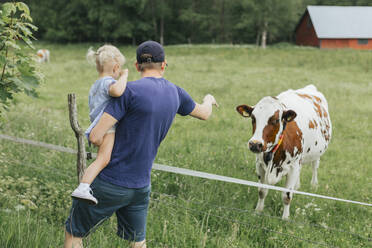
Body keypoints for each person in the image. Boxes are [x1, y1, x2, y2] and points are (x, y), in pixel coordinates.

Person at [64, 40, 218, 248]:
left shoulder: (129, 91)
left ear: (137, 66)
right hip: (140, 187)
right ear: (164, 65)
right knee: (138, 243)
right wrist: (208, 99)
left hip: (111, 181)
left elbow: (95, 136)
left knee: (74, 232)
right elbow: (204, 113)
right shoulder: (176, 93)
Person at [71, 45, 128, 205]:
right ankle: (83, 187)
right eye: (120, 69)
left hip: (97, 127)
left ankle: (87, 186)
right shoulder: (108, 82)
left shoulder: (95, 85)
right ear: (116, 67)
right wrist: (125, 76)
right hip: (107, 128)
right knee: (103, 160)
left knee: (103, 160)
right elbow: (117, 91)